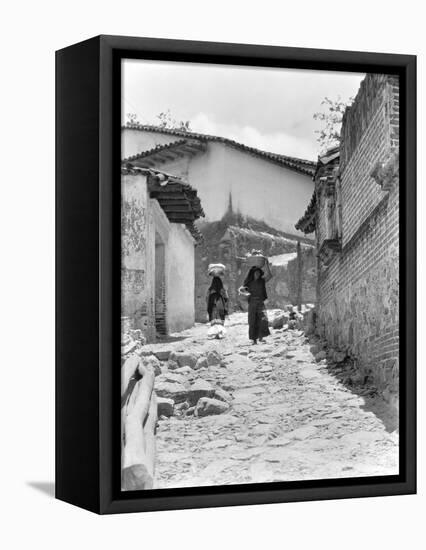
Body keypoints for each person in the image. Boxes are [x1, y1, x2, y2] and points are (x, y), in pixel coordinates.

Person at [243, 260, 273, 344]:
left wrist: (266, 265)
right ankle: (254, 339)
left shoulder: (262, 281)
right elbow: (242, 290)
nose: (257, 274)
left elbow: (270, 275)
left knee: (263, 319)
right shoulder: (249, 283)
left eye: (258, 273)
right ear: (252, 274)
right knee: (253, 321)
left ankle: (261, 337)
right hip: (252, 303)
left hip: (260, 303)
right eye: (256, 273)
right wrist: (244, 292)